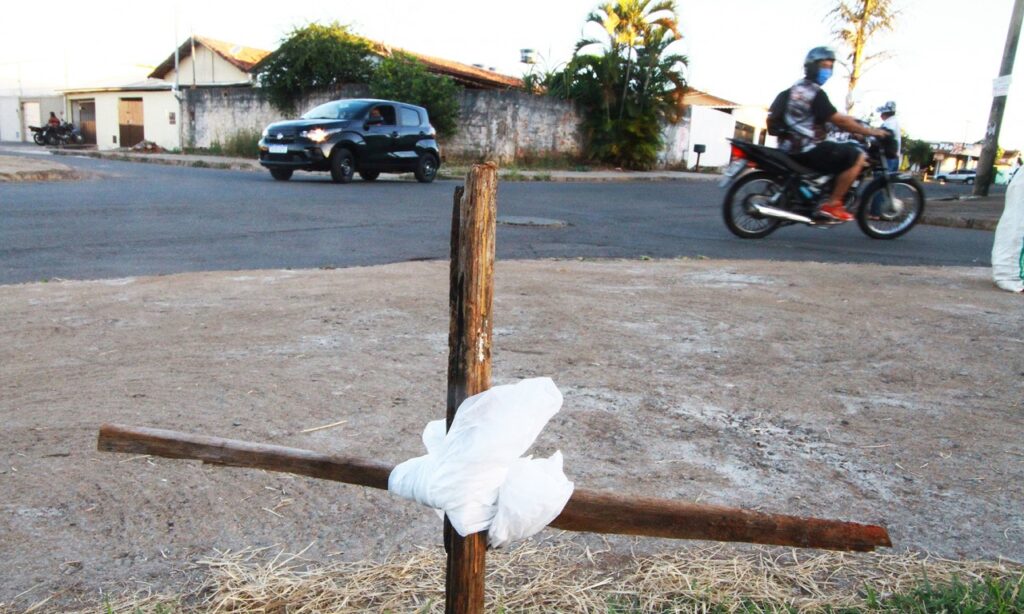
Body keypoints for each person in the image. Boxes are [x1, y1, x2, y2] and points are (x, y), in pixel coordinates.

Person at [777, 46, 889, 222]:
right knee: (858, 156)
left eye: (830, 66)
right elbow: (839, 120)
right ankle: (833, 203)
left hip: (789, 145)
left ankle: (821, 192)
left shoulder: (796, 88)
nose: (827, 70)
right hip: (807, 148)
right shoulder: (815, 93)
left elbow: (822, 120)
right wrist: (869, 131)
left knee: (840, 150)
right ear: (813, 66)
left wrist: (855, 132)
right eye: (824, 65)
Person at [877, 101, 901, 172]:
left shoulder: (889, 123)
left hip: (888, 157)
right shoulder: (894, 121)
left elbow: (886, 135)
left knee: (882, 179)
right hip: (894, 156)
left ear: (885, 114)